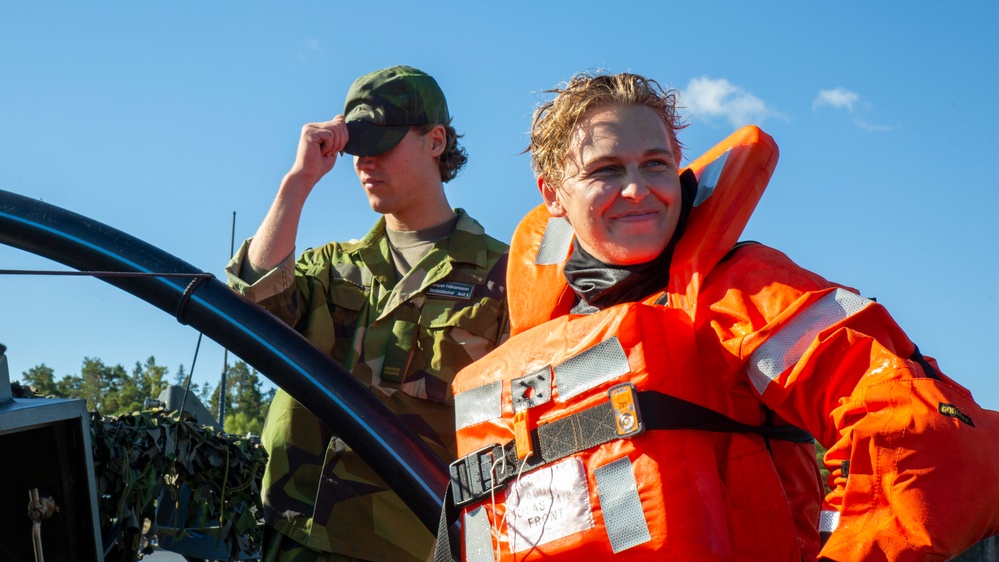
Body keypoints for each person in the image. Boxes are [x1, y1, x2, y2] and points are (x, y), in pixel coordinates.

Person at [446, 71, 999, 561]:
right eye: (607, 171)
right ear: (553, 196)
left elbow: (927, 438)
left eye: (656, 165)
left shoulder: (741, 289)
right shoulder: (543, 335)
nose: (638, 190)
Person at [226, 65, 509, 562]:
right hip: (296, 535)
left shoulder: (505, 277)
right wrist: (299, 181)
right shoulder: (333, 267)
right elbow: (252, 307)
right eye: (357, 150)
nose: (364, 163)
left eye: (381, 145)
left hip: (415, 542)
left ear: (436, 141)